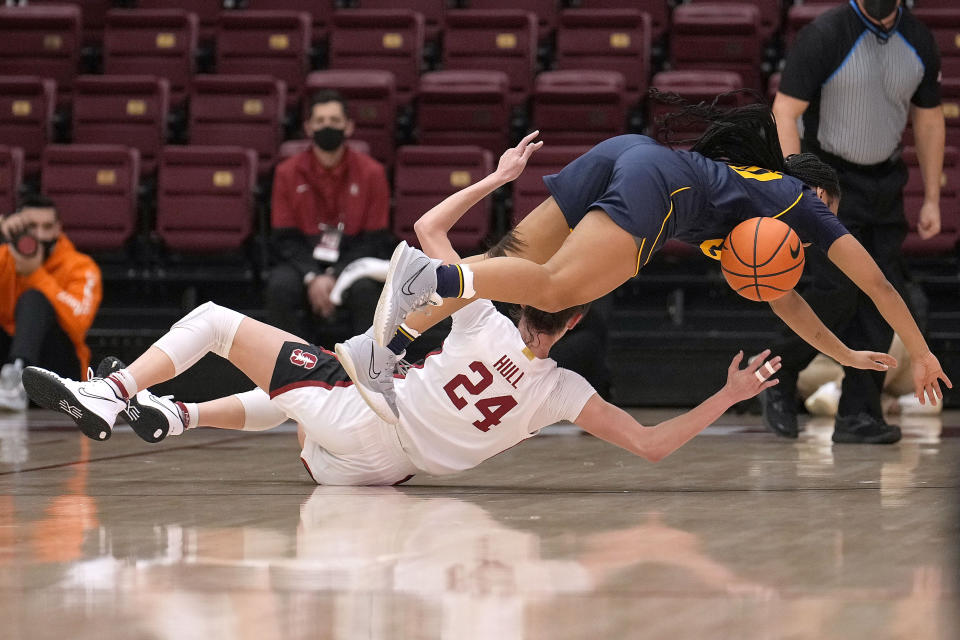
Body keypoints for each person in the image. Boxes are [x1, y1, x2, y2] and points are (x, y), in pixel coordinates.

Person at [18, 139, 782, 485]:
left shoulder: (483, 315)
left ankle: (109, 393)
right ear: (578, 323)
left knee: (220, 321)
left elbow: (426, 232)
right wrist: (729, 395)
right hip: (385, 473)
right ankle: (176, 415)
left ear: (539, 302)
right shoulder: (562, 394)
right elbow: (651, 446)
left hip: (363, 427)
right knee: (308, 393)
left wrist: (500, 177)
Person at [370, 105, 952, 443]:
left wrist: (848, 356)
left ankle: (387, 347)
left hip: (626, 151)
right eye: (828, 211)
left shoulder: (752, 200)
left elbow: (783, 301)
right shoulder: (802, 201)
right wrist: (921, 350)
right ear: (820, 193)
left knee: (504, 265)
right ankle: (432, 278)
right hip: (660, 186)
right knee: (559, 288)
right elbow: (876, 281)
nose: (820, 230)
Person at [761, 0, 946, 443]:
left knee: (881, 296)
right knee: (833, 291)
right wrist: (798, 182)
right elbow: (784, 111)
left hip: (885, 183)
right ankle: (777, 380)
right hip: (829, 178)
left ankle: (859, 415)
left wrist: (933, 197)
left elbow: (929, 120)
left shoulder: (918, 40)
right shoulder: (825, 34)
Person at [266, 89, 394, 342]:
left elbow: (374, 240)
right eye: (321, 121)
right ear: (308, 127)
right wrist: (313, 277)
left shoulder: (372, 172)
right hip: (303, 257)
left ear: (348, 127)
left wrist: (336, 274)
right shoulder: (287, 172)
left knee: (365, 290)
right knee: (280, 286)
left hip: (354, 256)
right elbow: (284, 239)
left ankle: (366, 371)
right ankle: (293, 371)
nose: (328, 127)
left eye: (335, 121)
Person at [0, 195, 102, 411]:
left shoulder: (81, 267)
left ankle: (17, 376)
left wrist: (35, 274)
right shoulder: (4, 258)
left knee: (34, 298)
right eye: (30, 226)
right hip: (7, 353)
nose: (39, 234)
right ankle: (11, 377)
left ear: (58, 229)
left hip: (60, 369)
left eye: (46, 227)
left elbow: (78, 325)